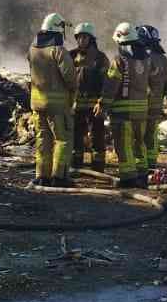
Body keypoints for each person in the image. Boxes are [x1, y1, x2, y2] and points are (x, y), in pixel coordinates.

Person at [29, 13, 78, 188]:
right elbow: (70, 77)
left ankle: (42, 176)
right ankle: (59, 176)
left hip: (36, 104)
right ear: (58, 30)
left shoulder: (32, 49)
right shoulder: (58, 50)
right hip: (56, 106)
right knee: (62, 139)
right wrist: (74, 89)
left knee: (43, 139)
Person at [106, 22, 150, 187]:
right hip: (141, 111)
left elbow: (111, 86)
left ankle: (128, 179)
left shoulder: (119, 60)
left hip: (123, 112)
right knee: (139, 143)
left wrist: (103, 105)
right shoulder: (146, 60)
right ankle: (142, 176)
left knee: (124, 146)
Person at [71, 22, 110, 172]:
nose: (81, 40)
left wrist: (102, 102)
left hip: (95, 104)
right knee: (76, 135)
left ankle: (98, 167)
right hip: (76, 104)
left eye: (85, 37)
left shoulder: (100, 58)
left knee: (97, 136)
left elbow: (107, 82)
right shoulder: (71, 55)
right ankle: (76, 165)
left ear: (91, 39)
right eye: (79, 37)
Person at [140, 25, 167, 174]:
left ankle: (141, 163)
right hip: (157, 102)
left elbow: (140, 80)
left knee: (140, 132)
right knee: (152, 132)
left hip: (144, 101)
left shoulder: (144, 58)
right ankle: (151, 161)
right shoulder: (164, 59)